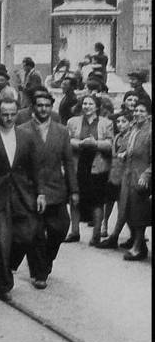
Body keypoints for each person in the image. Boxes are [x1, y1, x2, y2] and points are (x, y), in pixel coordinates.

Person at [0, 95, 46, 302]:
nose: (9, 118)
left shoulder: (27, 137)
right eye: (4, 115)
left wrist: (40, 193)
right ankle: (1, 285)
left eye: (13, 114)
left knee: (27, 234)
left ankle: (9, 266)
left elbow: (35, 168)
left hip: (23, 194)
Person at [20, 89, 78, 289]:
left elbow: (69, 162)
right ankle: (39, 272)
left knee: (60, 228)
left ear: (51, 107)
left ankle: (47, 261)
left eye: (47, 105)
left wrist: (74, 190)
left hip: (56, 189)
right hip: (31, 191)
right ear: (33, 107)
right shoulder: (23, 130)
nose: (43, 109)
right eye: (39, 105)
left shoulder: (61, 131)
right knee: (35, 233)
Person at [65, 94, 113, 245]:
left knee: (97, 201)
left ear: (97, 106)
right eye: (84, 103)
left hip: (97, 166)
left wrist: (95, 143)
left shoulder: (106, 123)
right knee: (75, 198)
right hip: (79, 165)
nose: (86, 106)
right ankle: (74, 232)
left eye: (90, 104)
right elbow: (67, 140)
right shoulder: (72, 121)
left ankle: (96, 234)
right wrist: (80, 144)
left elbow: (110, 144)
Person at [116, 102, 152, 261]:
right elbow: (126, 148)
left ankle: (138, 247)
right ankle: (138, 245)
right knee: (128, 210)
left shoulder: (150, 132)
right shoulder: (133, 129)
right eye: (136, 110)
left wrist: (146, 175)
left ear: (148, 114)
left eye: (141, 110)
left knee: (139, 212)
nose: (137, 113)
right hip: (129, 175)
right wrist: (124, 154)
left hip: (142, 177)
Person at [97, 111, 133, 249]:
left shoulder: (131, 137)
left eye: (124, 121)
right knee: (109, 202)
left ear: (130, 123)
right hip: (114, 175)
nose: (120, 124)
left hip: (125, 176)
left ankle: (118, 235)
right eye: (118, 122)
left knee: (123, 207)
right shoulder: (117, 136)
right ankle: (104, 225)